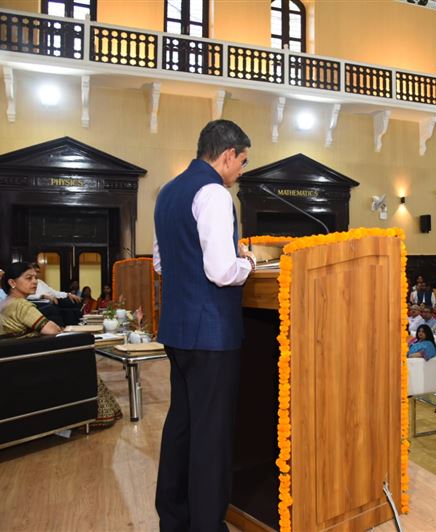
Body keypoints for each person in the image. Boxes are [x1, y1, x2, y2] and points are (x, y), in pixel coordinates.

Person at [152, 119, 256, 532]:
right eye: (243, 161)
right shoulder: (213, 193)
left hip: (178, 330)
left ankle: (174, 520)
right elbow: (220, 270)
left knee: (181, 426)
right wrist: (246, 263)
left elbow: (160, 263)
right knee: (211, 436)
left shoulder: (167, 192)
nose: (241, 172)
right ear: (227, 154)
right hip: (212, 334)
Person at [0, 262, 121, 427]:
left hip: (9, 360)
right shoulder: (19, 304)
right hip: (26, 362)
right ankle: (93, 416)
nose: (35, 282)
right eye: (28, 278)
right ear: (12, 283)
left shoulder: (4, 304)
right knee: (81, 356)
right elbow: (52, 330)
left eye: (35, 278)